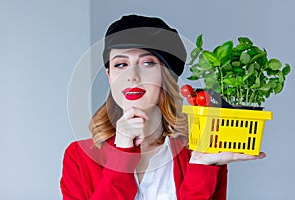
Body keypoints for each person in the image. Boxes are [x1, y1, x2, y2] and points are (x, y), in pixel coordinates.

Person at [60, 14, 266, 200]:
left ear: (167, 77)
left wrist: (201, 166)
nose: (132, 76)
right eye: (120, 64)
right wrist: (122, 154)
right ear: (109, 76)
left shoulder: (200, 153)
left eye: (147, 63)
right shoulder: (78, 157)